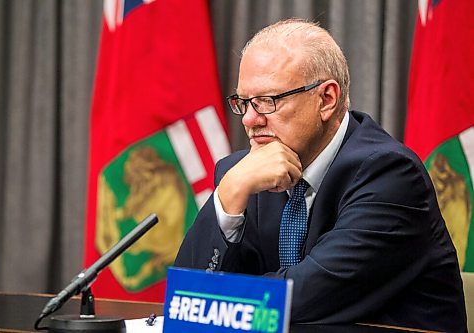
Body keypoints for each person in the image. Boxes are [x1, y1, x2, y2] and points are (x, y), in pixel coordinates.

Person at [174, 18, 466, 332]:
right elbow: (183, 303)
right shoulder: (243, 175)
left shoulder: (390, 175)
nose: (249, 119)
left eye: (267, 101)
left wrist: (208, 301)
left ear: (326, 99)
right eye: (243, 102)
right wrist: (227, 194)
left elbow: (302, 301)